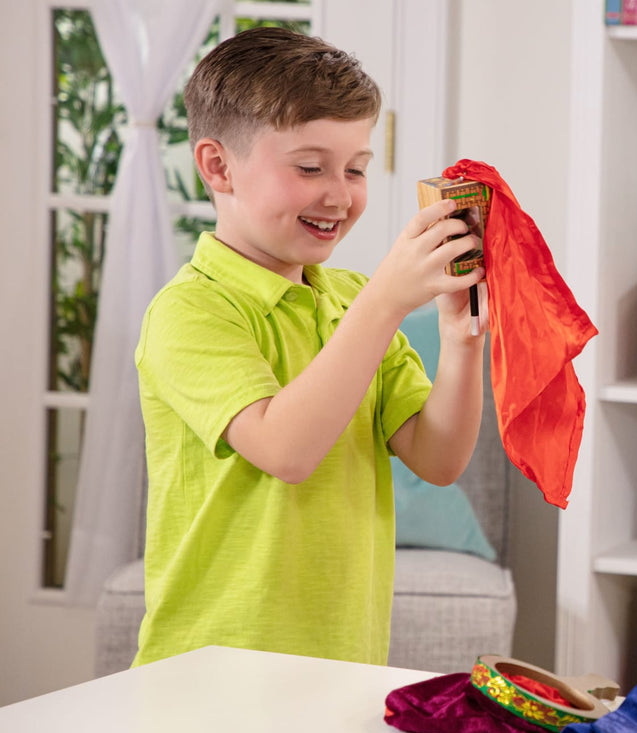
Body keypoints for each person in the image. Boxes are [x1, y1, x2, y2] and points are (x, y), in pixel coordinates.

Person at [131, 26, 487, 668]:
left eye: (356, 168)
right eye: (309, 167)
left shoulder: (351, 301)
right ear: (218, 166)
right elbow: (285, 450)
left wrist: (460, 337)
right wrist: (385, 303)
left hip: (343, 660)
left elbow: (438, 459)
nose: (339, 194)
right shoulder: (190, 311)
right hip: (209, 669)